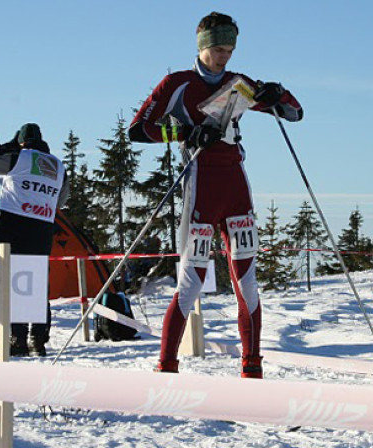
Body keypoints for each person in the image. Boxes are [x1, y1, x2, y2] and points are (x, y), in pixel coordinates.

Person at [128, 12, 302, 378]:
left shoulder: (238, 83)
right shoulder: (178, 82)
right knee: (191, 283)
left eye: (230, 50)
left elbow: (293, 113)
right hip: (200, 186)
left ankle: (252, 368)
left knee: (247, 282)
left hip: (236, 186)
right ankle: (167, 367)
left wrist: (276, 92)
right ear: (203, 47)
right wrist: (183, 135)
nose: (225, 57)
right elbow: (138, 131)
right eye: (219, 50)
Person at [0, 123, 69, 357]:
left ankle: (17, 339)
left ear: (21, 141)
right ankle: (37, 340)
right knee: (37, 285)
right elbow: (60, 200)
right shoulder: (58, 166)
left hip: (13, 226)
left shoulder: (20, 156)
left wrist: (9, 146)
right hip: (42, 229)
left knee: (13, 284)